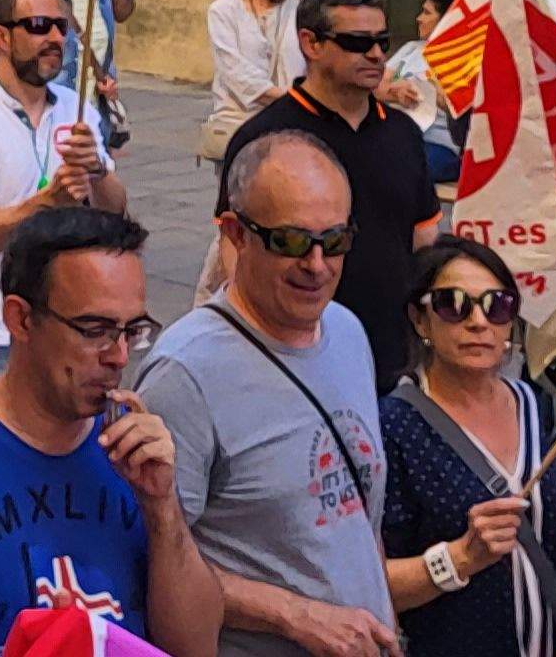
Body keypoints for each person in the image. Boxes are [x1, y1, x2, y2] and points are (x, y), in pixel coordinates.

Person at [0, 206, 222, 654]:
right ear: (21, 319)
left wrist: (163, 508)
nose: (119, 356)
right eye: (94, 330)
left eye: (132, 330)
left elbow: (196, 646)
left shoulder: (131, 456)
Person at [138, 130, 399, 657]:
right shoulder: (184, 373)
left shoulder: (347, 331)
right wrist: (295, 615)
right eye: (292, 242)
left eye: (335, 241)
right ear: (235, 234)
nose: (317, 265)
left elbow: (356, 519)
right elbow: (152, 559)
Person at [224, 0, 441, 387]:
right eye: (357, 42)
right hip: (296, 359)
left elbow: (424, 241)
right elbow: (235, 251)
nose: (376, 55)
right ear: (311, 43)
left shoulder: (403, 134)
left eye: (382, 42)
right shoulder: (265, 137)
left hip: (392, 359)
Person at [378, 237, 556, 657]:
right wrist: (459, 558)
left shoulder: (530, 404)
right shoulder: (393, 425)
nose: (478, 322)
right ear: (420, 319)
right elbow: (369, 581)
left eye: (497, 306)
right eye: (453, 305)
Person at [0, 0, 127, 393]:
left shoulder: (75, 108)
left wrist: (96, 170)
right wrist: (48, 202)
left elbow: (114, 213)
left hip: (62, 323)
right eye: (40, 26)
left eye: (61, 26)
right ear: (1, 37)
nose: (55, 38)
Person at [203, 0, 306, 160]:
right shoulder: (223, 11)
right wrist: (293, 100)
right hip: (241, 127)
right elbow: (235, 72)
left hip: (293, 128)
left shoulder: (301, 10)